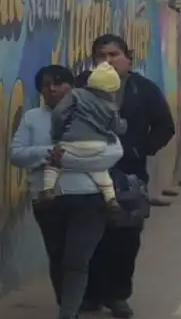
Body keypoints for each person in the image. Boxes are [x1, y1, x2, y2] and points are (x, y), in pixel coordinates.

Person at [10, 65, 124, 319]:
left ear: (72, 87)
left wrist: (68, 159)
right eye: (46, 85)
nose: (52, 89)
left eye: (59, 83)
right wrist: (48, 153)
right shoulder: (33, 119)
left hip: (89, 199)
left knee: (76, 259)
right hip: (47, 200)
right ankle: (68, 305)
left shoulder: (95, 110)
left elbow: (114, 151)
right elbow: (17, 154)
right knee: (58, 256)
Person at [83, 34, 176, 319]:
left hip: (129, 176)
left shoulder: (143, 90)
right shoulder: (80, 86)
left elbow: (165, 127)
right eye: (102, 55)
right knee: (87, 237)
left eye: (114, 54)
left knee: (125, 238)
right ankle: (89, 294)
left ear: (127, 58)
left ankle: (118, 295)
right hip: (86, 174)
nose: (108, 61)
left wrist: (140, 149)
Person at [40, 62, 125, 216]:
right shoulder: (111, 106)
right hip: (98, 145)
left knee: (54, 162)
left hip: (72, 142)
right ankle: (111, 199)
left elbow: (59, 114)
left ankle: (47, 189)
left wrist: (57, 134)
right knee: (100, 170)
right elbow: (117, 128)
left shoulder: (76, 94)